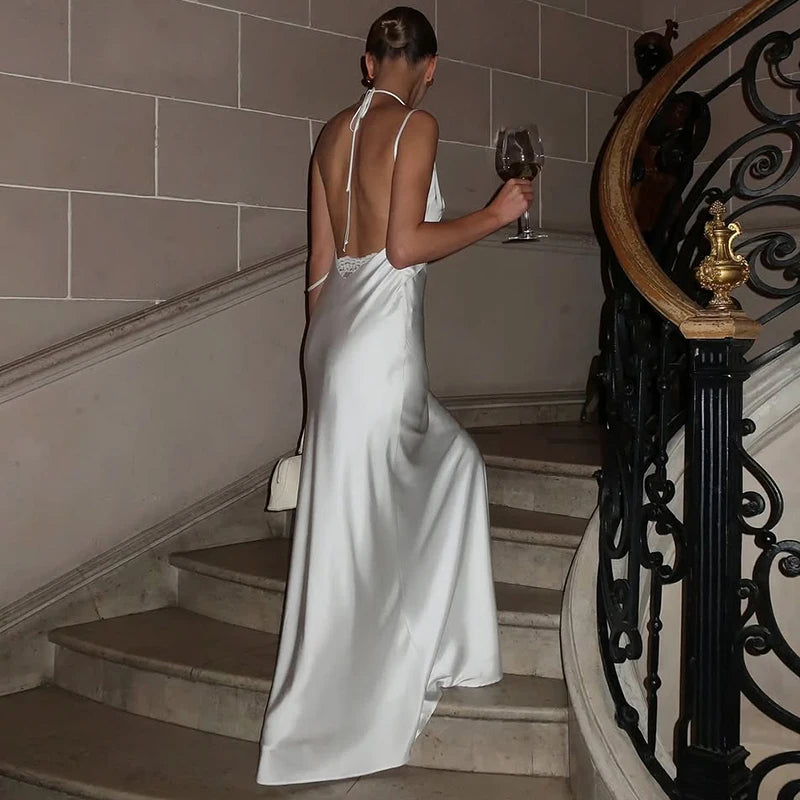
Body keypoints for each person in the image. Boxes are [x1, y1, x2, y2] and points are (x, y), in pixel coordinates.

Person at [257, 6, 534, 785]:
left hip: (333, 338)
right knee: (377, 516)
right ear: (431, 65)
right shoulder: (417, 126)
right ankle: (354, 698)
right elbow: (405, 246)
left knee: (449, 467)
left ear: (368, 60)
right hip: (379, 346)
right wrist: (494, 213)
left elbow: (318, 263)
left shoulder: (331, 133)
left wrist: (321, 364)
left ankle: (443, 647)